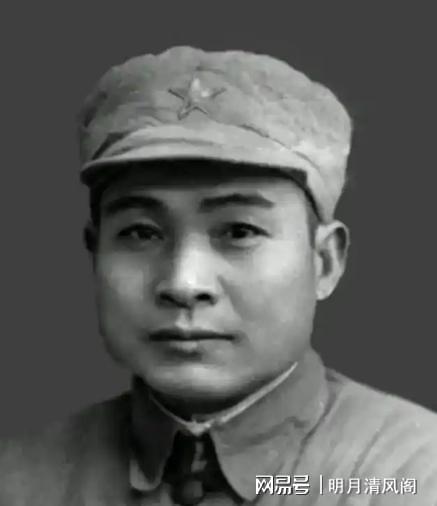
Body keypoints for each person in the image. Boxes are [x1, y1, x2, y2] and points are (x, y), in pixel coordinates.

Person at [0, 46, 436, 506]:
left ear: (325, 261)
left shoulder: (410, 476)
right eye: (141, 233)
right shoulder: (20, 480)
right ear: (94, 253)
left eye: (239, 231)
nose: (184, 284)